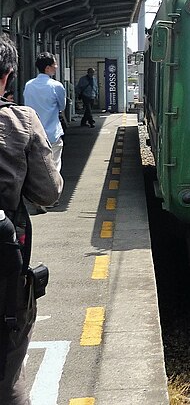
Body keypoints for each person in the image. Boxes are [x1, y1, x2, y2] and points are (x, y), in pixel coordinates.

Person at [0, 36, 62, 405]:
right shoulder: (20, 122)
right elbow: (49, 192)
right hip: (6, 275)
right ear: (7, 76)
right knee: (8, 379)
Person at [23, 53, 67, 174]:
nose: (56, 66)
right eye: (55, 64)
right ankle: (54, 191)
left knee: (37, 169)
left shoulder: (29, 85)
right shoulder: (56, 86)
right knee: (54, 167)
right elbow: (62, 106)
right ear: (47, 68)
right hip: (52, 133)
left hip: (33, 134)